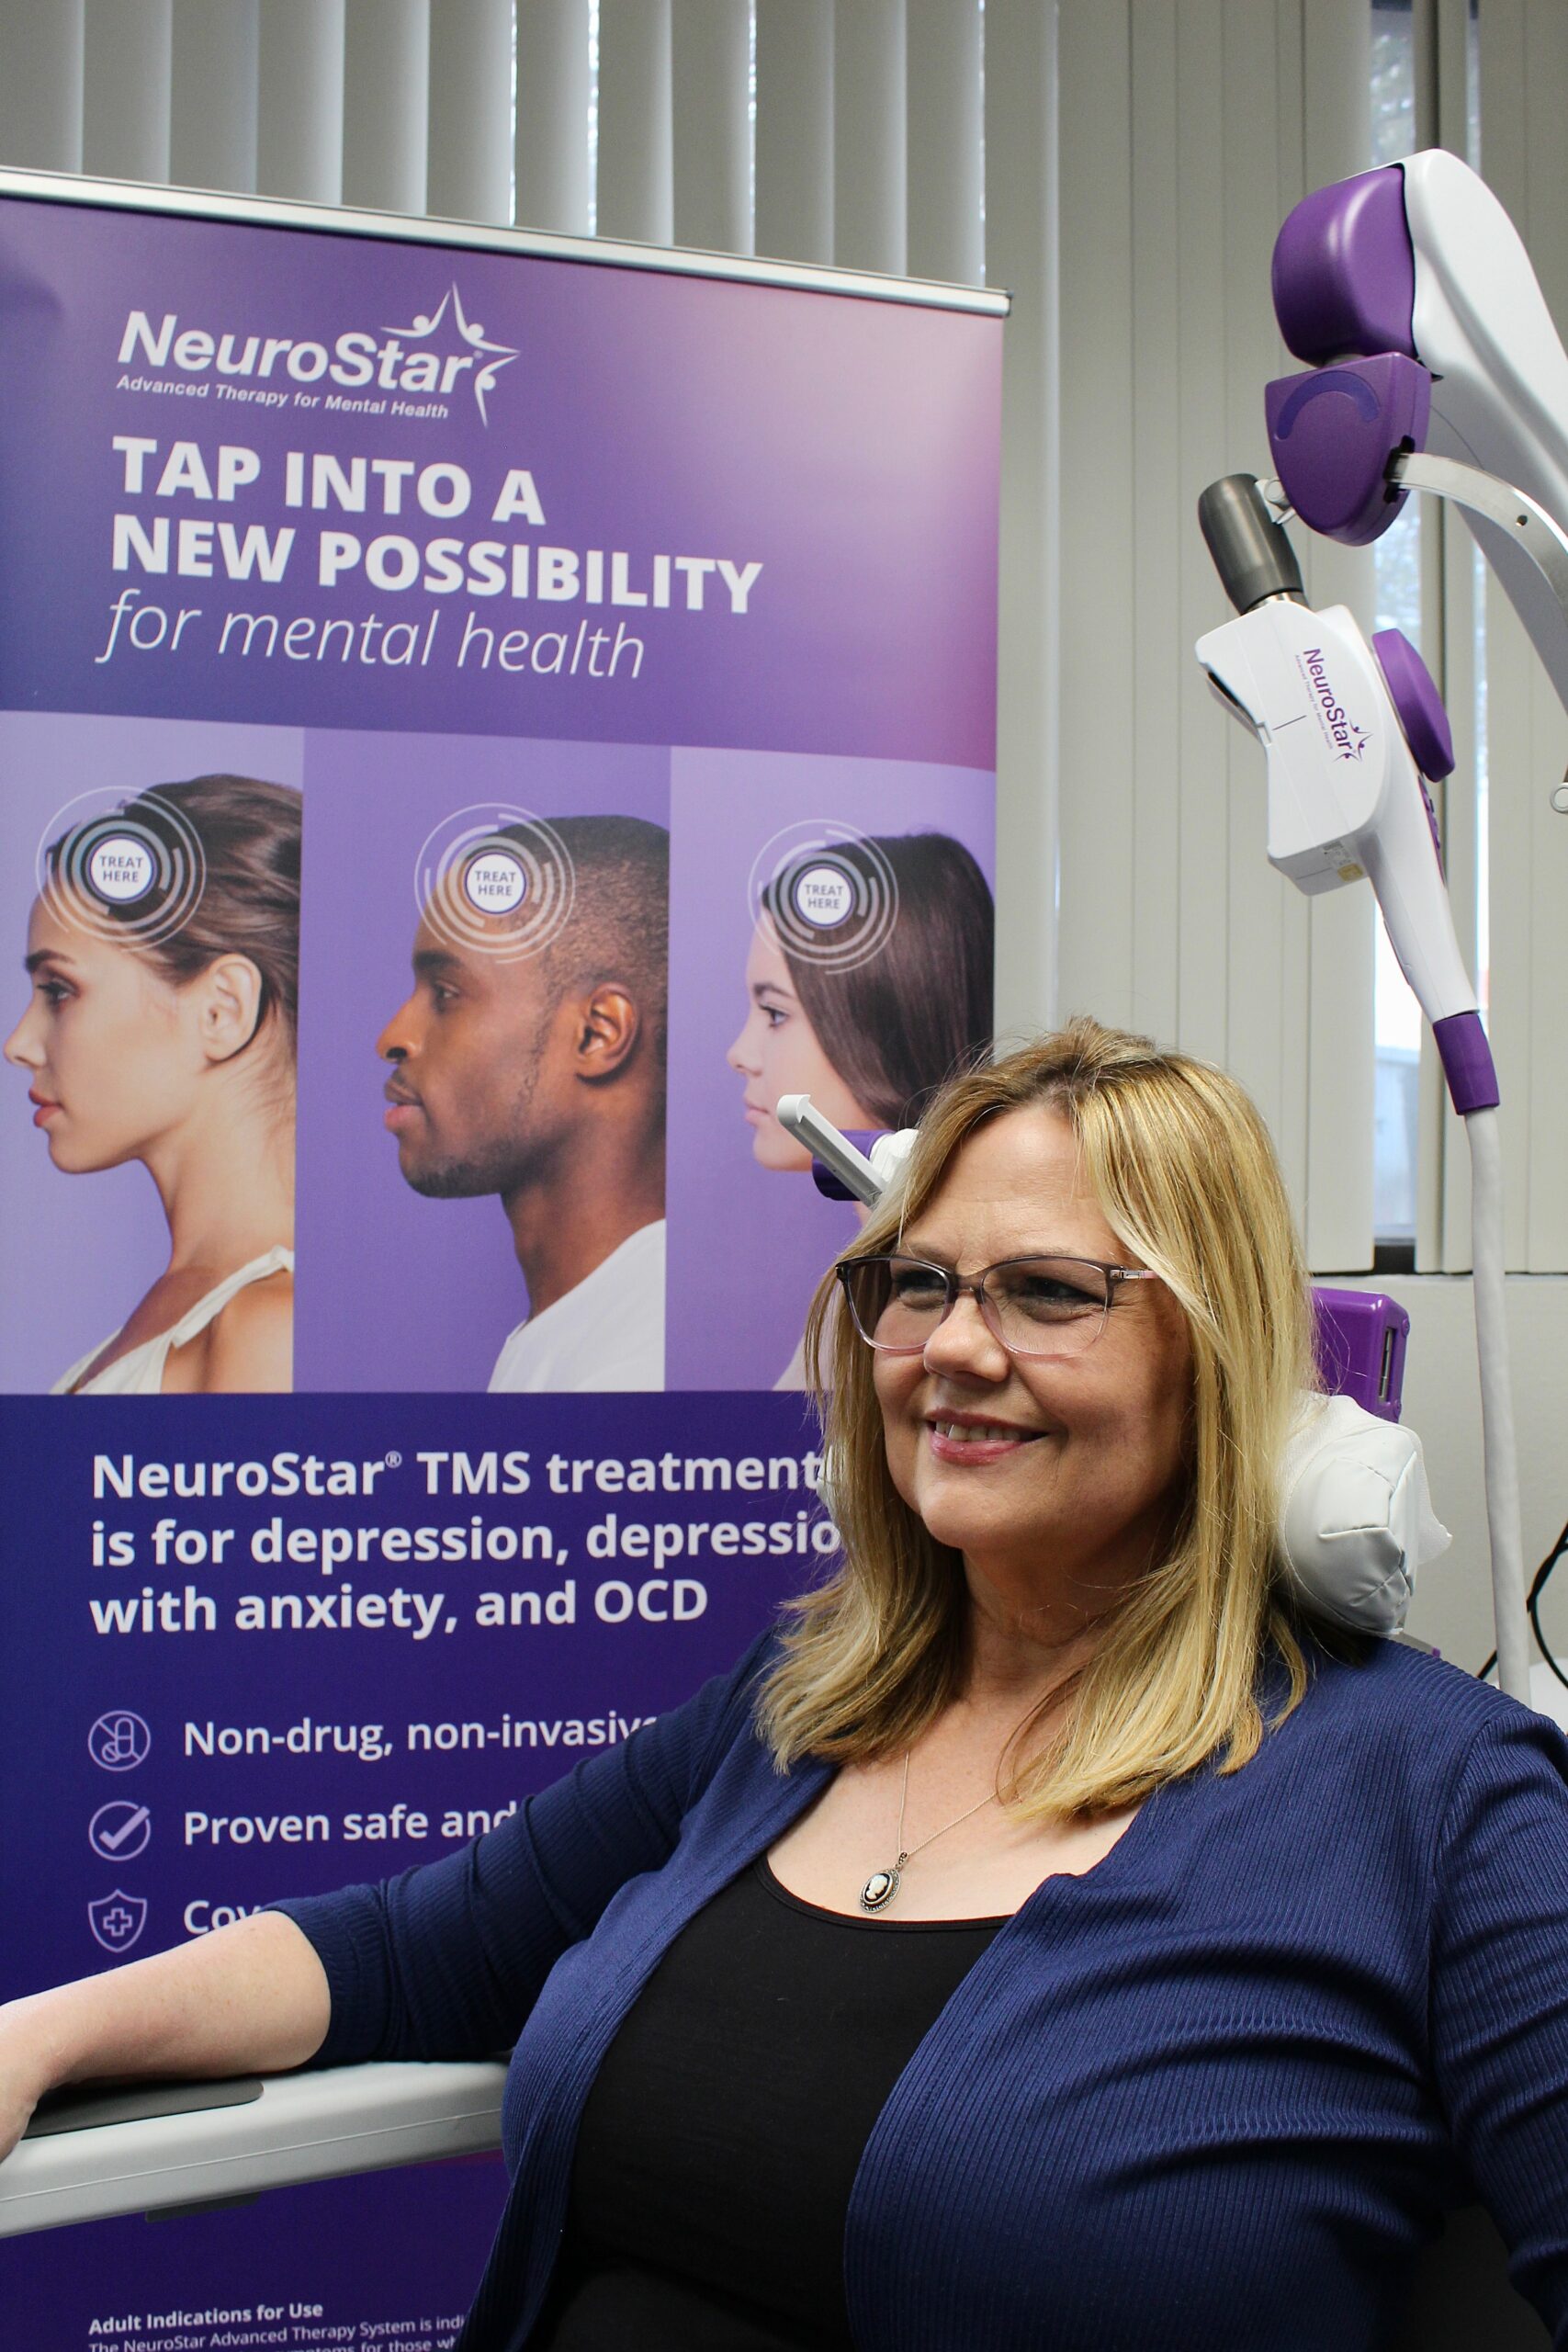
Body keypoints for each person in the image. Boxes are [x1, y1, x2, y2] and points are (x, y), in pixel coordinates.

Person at [6, 1015, 1568, 2350]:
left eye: (1045, 1293)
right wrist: (37, 2038)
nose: (952, 1348)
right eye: (918, 1282)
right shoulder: (802, 1703)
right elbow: (419, 1950)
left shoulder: (1439, 1802)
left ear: (1207, 1357)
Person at [3, 775, 299, 1396]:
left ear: (223, 1010)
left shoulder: (270, 1329)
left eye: (59, 991)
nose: (19, 1045)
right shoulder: (196, 1307)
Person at [378, 812, 668, 1392]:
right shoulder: (578, 1331)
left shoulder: (635, 1370)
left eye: (446, 993)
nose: (392, 1037)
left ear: (597, 1034)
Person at [728, 830, 994, 1387]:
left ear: (880, 1021)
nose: (739, 1055)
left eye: (774, 1013)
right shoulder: (856, 1306)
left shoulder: (931, 1319)